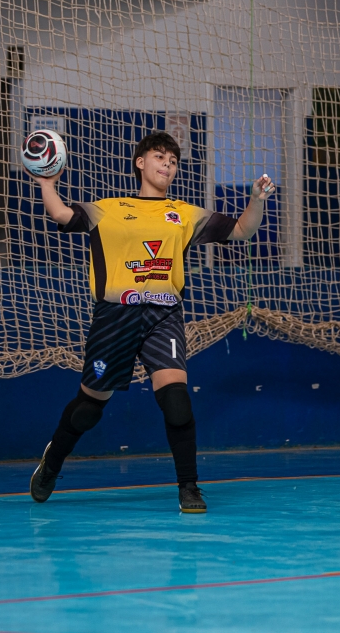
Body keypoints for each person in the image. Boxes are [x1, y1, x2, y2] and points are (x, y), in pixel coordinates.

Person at [28, 131, 274, 512]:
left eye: (173, 161)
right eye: (160, 157)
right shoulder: (108, 209)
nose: (168, 165)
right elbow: (60, 214)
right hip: (115, 318)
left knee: (177, 400)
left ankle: (189, 487)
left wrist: (256, 200)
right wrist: (47, 182)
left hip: (164, 316)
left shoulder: (185, 214)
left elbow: (243, 230)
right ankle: (52, 462)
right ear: (140, 163)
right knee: (88, 409)